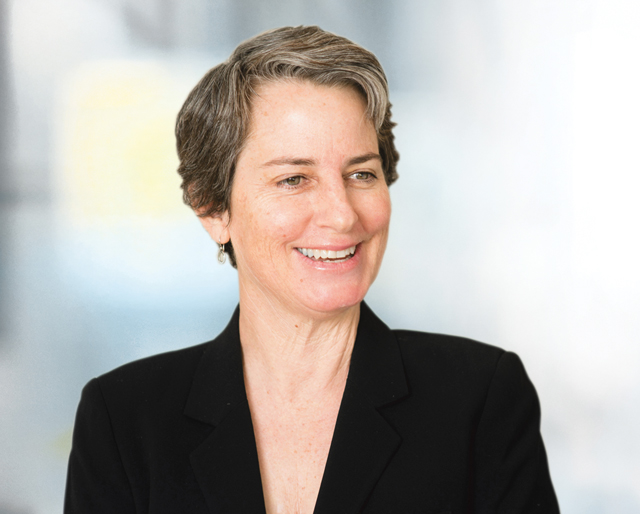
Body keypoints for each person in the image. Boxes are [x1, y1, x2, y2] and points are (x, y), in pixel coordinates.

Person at [64, 26, 560, 514]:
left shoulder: (480, 400)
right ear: (213, 208)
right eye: (294, 179)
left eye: (361, 174)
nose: (342, 215)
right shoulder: (124, 419)